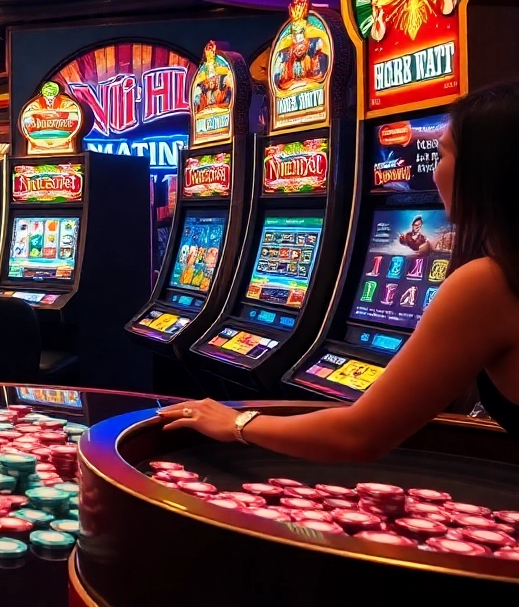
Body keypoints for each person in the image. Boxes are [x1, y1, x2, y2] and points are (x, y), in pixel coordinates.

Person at [158, 82, 519, 457]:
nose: (433, 173)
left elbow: (359, 434)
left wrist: (236, 422)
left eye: (442, 155)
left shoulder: (487, 282)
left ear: (481, 171)